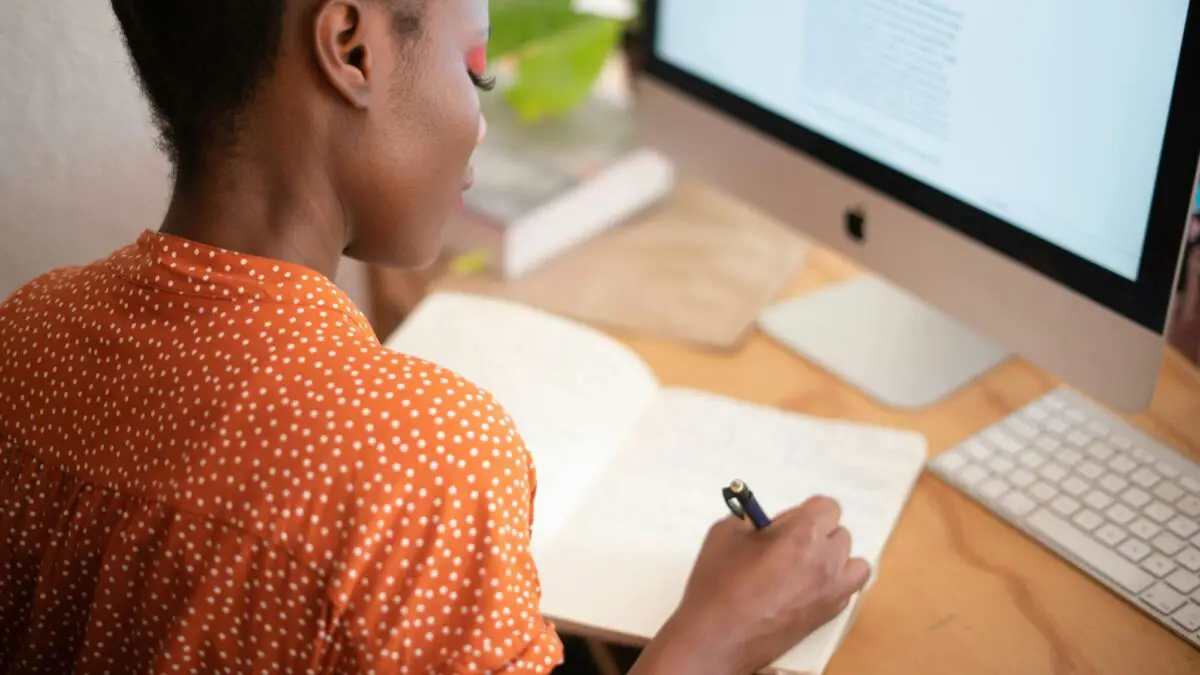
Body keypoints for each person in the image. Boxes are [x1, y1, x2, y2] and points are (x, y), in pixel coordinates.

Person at [0, 1, 870, 673]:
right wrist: (713, 636)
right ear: (351, 48)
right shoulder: (419, 461)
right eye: (475, 72)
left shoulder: (24, 335)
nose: (481, 122)